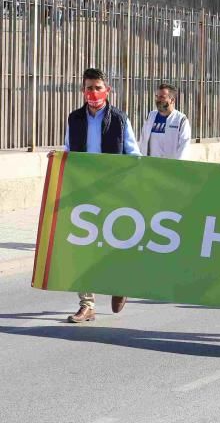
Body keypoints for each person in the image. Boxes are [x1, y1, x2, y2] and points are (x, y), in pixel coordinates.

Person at [60, 67, 141, 323]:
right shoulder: (75, 119)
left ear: (107, 90)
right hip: (84, 192)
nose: (93, 92)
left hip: (113, 192)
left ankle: (120, 284)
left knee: (113, 244)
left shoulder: (119, 119)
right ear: (82, 90)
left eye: (97, 87)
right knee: (83, 246)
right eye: (88, 88)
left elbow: (134, 156)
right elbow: (69, 150)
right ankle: (87, 304)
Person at [138, 84, 191, 159]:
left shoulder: (181, 120)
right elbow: (143, 139)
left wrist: (178, 166)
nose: (158, 100)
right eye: (157, 96)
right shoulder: (151, 116)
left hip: (170, 166)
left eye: (162, 97)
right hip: (150, 165)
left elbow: (184, 145)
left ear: (172, 100)